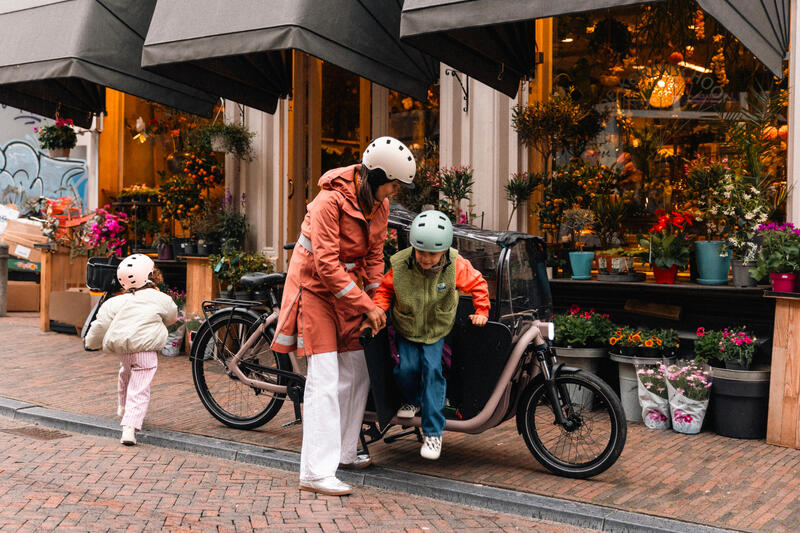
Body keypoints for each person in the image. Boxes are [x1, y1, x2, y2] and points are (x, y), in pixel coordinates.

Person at [271, 136, 416, 496]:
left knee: (358, 368)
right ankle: (315, 473)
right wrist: (365, 304)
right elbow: (324, 263)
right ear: (374, 176)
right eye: (391, 184)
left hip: (347, 292)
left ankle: (345, 452)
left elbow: (374, 258)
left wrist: (374, 301)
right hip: (315, 289)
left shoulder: (378, 207)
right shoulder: (328, 201)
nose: (392, 192)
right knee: (325, 378)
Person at [372, 210, 490, 460]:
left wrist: (482, 310)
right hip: (406, 328)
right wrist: (379, 310)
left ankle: (433, 433)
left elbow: (478, 283)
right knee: (405, 369)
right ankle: (412, 400)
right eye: (421, 251)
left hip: (437, 331)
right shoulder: (401, 264)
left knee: (432, 371)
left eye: (432, 253)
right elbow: (384, 290)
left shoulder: (456, 264)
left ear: (444, 251)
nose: (426, 258)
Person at [85, 254, 178, 446]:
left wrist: (90, 343)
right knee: (140, 387)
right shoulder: (161, 299)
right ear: (152, 276)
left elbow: (100, 325)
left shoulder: (114, 302)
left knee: (125, 374)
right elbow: (171, 318)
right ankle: (130, 427)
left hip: (124, 349)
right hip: (146, 350)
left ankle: (123, 406)